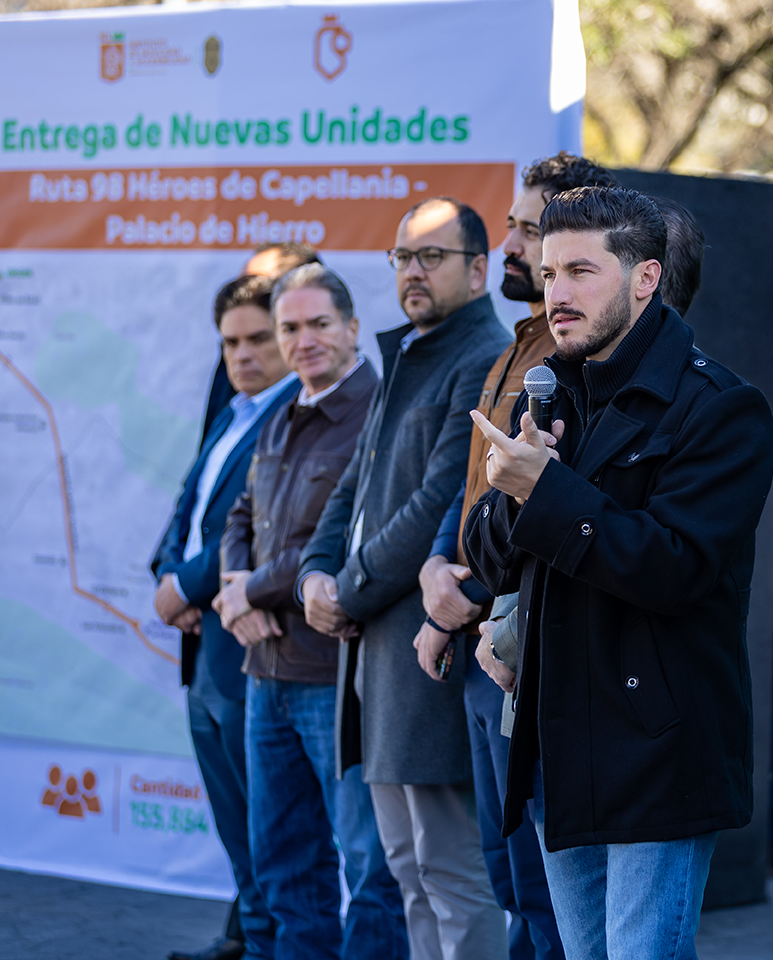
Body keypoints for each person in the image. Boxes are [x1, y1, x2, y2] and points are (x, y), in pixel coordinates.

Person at [463, 186, 773, 960]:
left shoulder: (720, 408)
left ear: (645, 278)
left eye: (581, 270)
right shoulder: (551, 391)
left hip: (655, 752)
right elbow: (489, 559)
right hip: (559, 744)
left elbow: (675, 567)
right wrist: (513, 497)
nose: (557, 293)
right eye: (549, 273)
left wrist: (545, 492)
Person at [296, 197, 510, 960]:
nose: (412, 272)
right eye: (403, 258)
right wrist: (314, 576)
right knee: (407, 871)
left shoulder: (484, 356)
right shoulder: (411, 351)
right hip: (376, 657)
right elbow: (353, 488)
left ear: (478, 270)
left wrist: (345, 592)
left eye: (431, 257)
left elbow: (435, 507)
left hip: (428, 656)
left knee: (450, 877)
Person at [417, 153, 616, 960]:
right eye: (514, 227)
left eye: (530, 232)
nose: (511, 246)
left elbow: (546, 510)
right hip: (476, 640)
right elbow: (475, 484)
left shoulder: (567, 364)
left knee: (544, 892)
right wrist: (436, 569)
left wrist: (470, 600)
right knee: (508, 879)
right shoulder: (518, 346)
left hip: (513, 646)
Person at [214, 265, 407, 960]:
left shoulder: (379, 412)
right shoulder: (281, 413)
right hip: (266, 675)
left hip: (336, 679)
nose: (305, 340)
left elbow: (347, 535)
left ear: (352, 327)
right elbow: (242, 513)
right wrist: (236, 588)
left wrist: (252, 591)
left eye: (319, 324)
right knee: (284, 865)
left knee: (370, 868)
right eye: (290, 328)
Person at [152, 275, 300, 960]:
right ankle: (248, 939)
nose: (242, 355)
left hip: (249, 654)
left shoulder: (294, 413)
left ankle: (266, 944)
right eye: (230, 343)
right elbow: (189, 507)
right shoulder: (232, 412)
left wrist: (183, 585)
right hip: (203, 653)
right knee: (238, 829)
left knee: (272, 831)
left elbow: (265, 522)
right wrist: (167, 574)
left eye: (258, 339)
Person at [201, 244, 322, 443]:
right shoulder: (235, 398)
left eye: (262, 285)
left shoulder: (316, 406)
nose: (246, 292)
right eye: (231, 342)